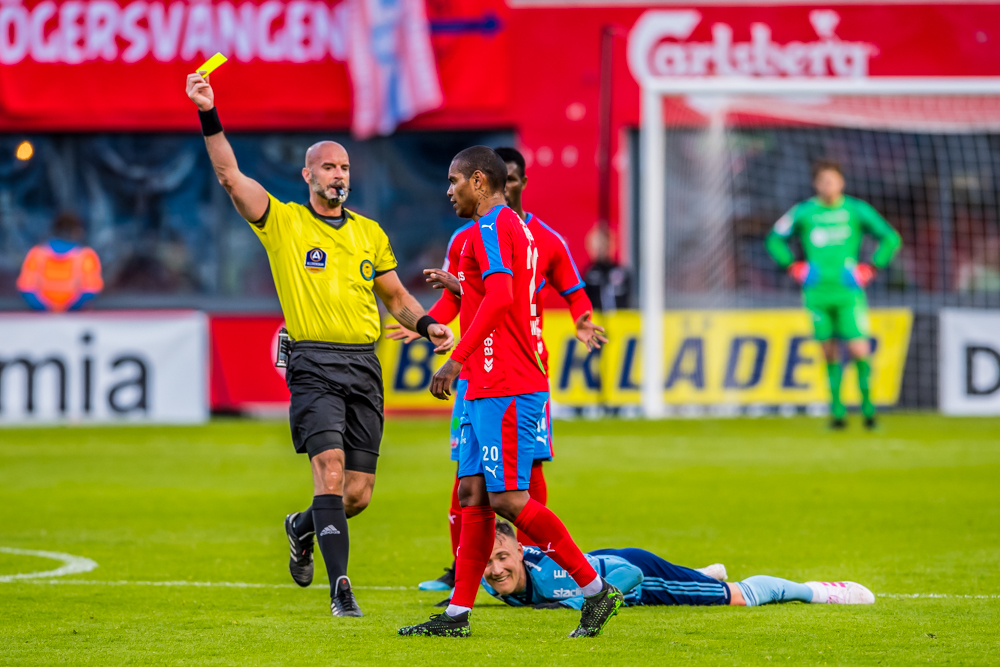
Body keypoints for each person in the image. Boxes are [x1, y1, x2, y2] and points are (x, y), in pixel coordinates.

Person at [185, 71, 454, 618]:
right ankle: (342, 591)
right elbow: (229, 175)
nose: (339, 174)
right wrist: (208, 113)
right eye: (329, 166)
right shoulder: (282, 221)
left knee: (356, 494)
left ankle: (299, 526)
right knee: (328, 468)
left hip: (364, 364)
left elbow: (396, 297)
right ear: (308, 174)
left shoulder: (369, 233)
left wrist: (428, 327)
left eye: (345, 167)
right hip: (312, 363)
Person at [397, 146, 622, 639]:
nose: (449, 190)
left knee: (508, 499)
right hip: (486, 383)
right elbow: (498, 290)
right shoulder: (511, 230)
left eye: (454, 180)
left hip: (506, 382)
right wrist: (458, 291)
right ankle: (457, 615)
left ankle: (593, 589)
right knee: (473, 494)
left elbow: (502, 297)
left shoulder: (494, 227)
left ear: (479, 181)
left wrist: (456, 359)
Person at [765, 159, 901, 430]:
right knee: (828, 351)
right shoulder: (804, 212)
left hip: (849, 292)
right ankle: (837, 413)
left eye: (832, 180)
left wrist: (871, 268)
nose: (828, 185)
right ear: (816, 184)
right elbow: (774, 239)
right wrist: (793, 266)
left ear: (842, 182)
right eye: (823, 180)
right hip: (816, 292)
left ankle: (868, 411)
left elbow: (890, 237)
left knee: (858, 348)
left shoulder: (855, 209)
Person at [483, 521, 876, 609]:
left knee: (736, 598)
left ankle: (819, 591)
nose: (495, 569)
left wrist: (586, 604)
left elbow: (631, 574)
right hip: (618, 563)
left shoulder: (551, 573)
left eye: (502, 557)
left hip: (642, 576)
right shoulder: (491, 581)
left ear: (521, 551)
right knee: (694, 580)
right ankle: (700, 575)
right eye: (487, 562)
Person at [17, 212, 103, 312]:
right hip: (76, 315)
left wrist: (47, 308)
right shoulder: (86, 256)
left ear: (54, 230)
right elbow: (91, 289)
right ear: (77, 231)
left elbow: (26, 288)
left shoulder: (36, 254)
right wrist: (68, 307)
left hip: (41, 316)